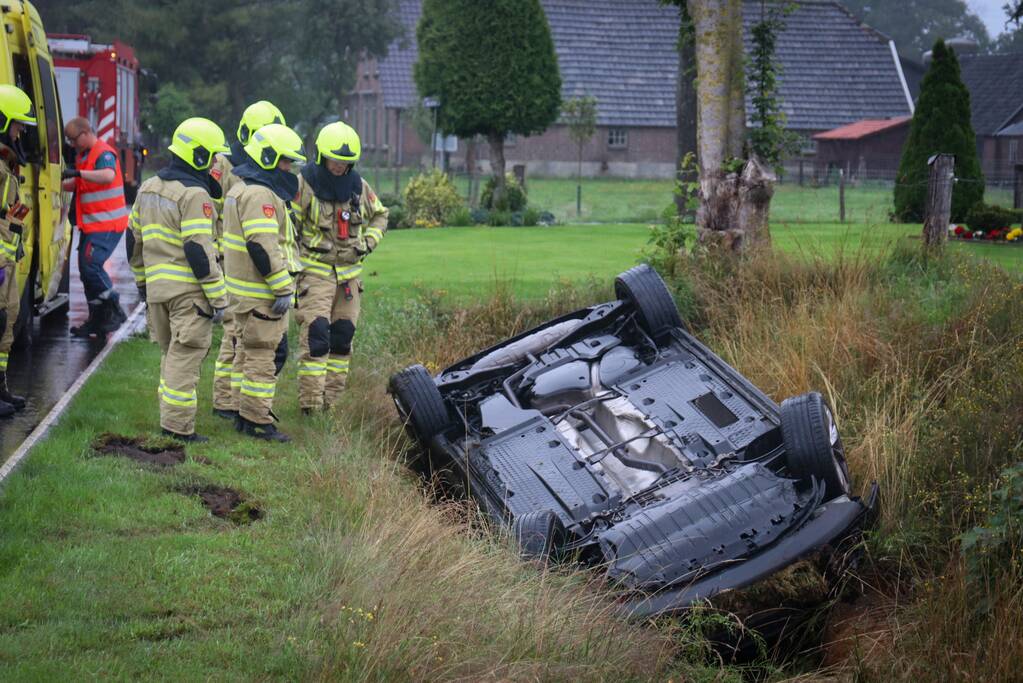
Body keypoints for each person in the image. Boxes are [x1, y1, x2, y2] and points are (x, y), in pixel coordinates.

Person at [126, 118, 229, 442]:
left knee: (171, 356)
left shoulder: (149, 187)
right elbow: (198, 250)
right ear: (198, 155)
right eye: (212, 156)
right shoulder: (195, 195)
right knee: (185, 358)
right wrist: (219, 298)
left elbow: (133, 240)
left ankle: (170, 421)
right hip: (189, 293)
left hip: (158, 291)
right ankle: (178, 429)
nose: (215, 164)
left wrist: (143, 283)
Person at [293, 122, 387, 413]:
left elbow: (380, 216)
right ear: (322, 156)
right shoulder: (304, 183)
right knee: (317, 336)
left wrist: (367, 244)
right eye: (335, 160)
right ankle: (310, 405)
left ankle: (329, 405)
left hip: (348, 279)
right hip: (316, 273)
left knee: (342, 338)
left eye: (346, 162)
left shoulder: (358, 185)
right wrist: (293, 267)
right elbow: (288, 227)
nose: (340, 167)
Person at [222, 123, 304, 442]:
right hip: (262, 296)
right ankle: (258, 422)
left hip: (244, 294)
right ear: (269, 158)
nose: (289, 169)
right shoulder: (259, 194)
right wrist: (282, 287)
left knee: (247, 353)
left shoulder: (241, 188)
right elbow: (261, 244)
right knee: (263, 358)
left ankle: (243, 416)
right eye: (285, 162)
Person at [210, 100, 286, 421]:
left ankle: (231, 401)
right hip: (233, 257)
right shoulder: (224, 163)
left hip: (245, 256)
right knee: (237, 334)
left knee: (239, 335)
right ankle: (231, 402)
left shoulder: (260, 168)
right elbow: (209, 206)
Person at [62, 117, 129, 337]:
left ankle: (114, 307)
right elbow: (81, 183)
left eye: (73, 140)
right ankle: (98, 320)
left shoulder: (104, 153)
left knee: (92, 266)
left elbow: (107, 176)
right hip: (93, 225)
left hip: (107, 224)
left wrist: (78, 173)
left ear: (84, 133)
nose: (72, 144)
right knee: (85, 270)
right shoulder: (85, 156)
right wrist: (59, 182)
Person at [0, 85, 36, 417]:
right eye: (17, 124)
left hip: (7, 261)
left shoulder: (6, 164)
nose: (21, 131)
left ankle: (1, 388)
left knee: (7, 321)